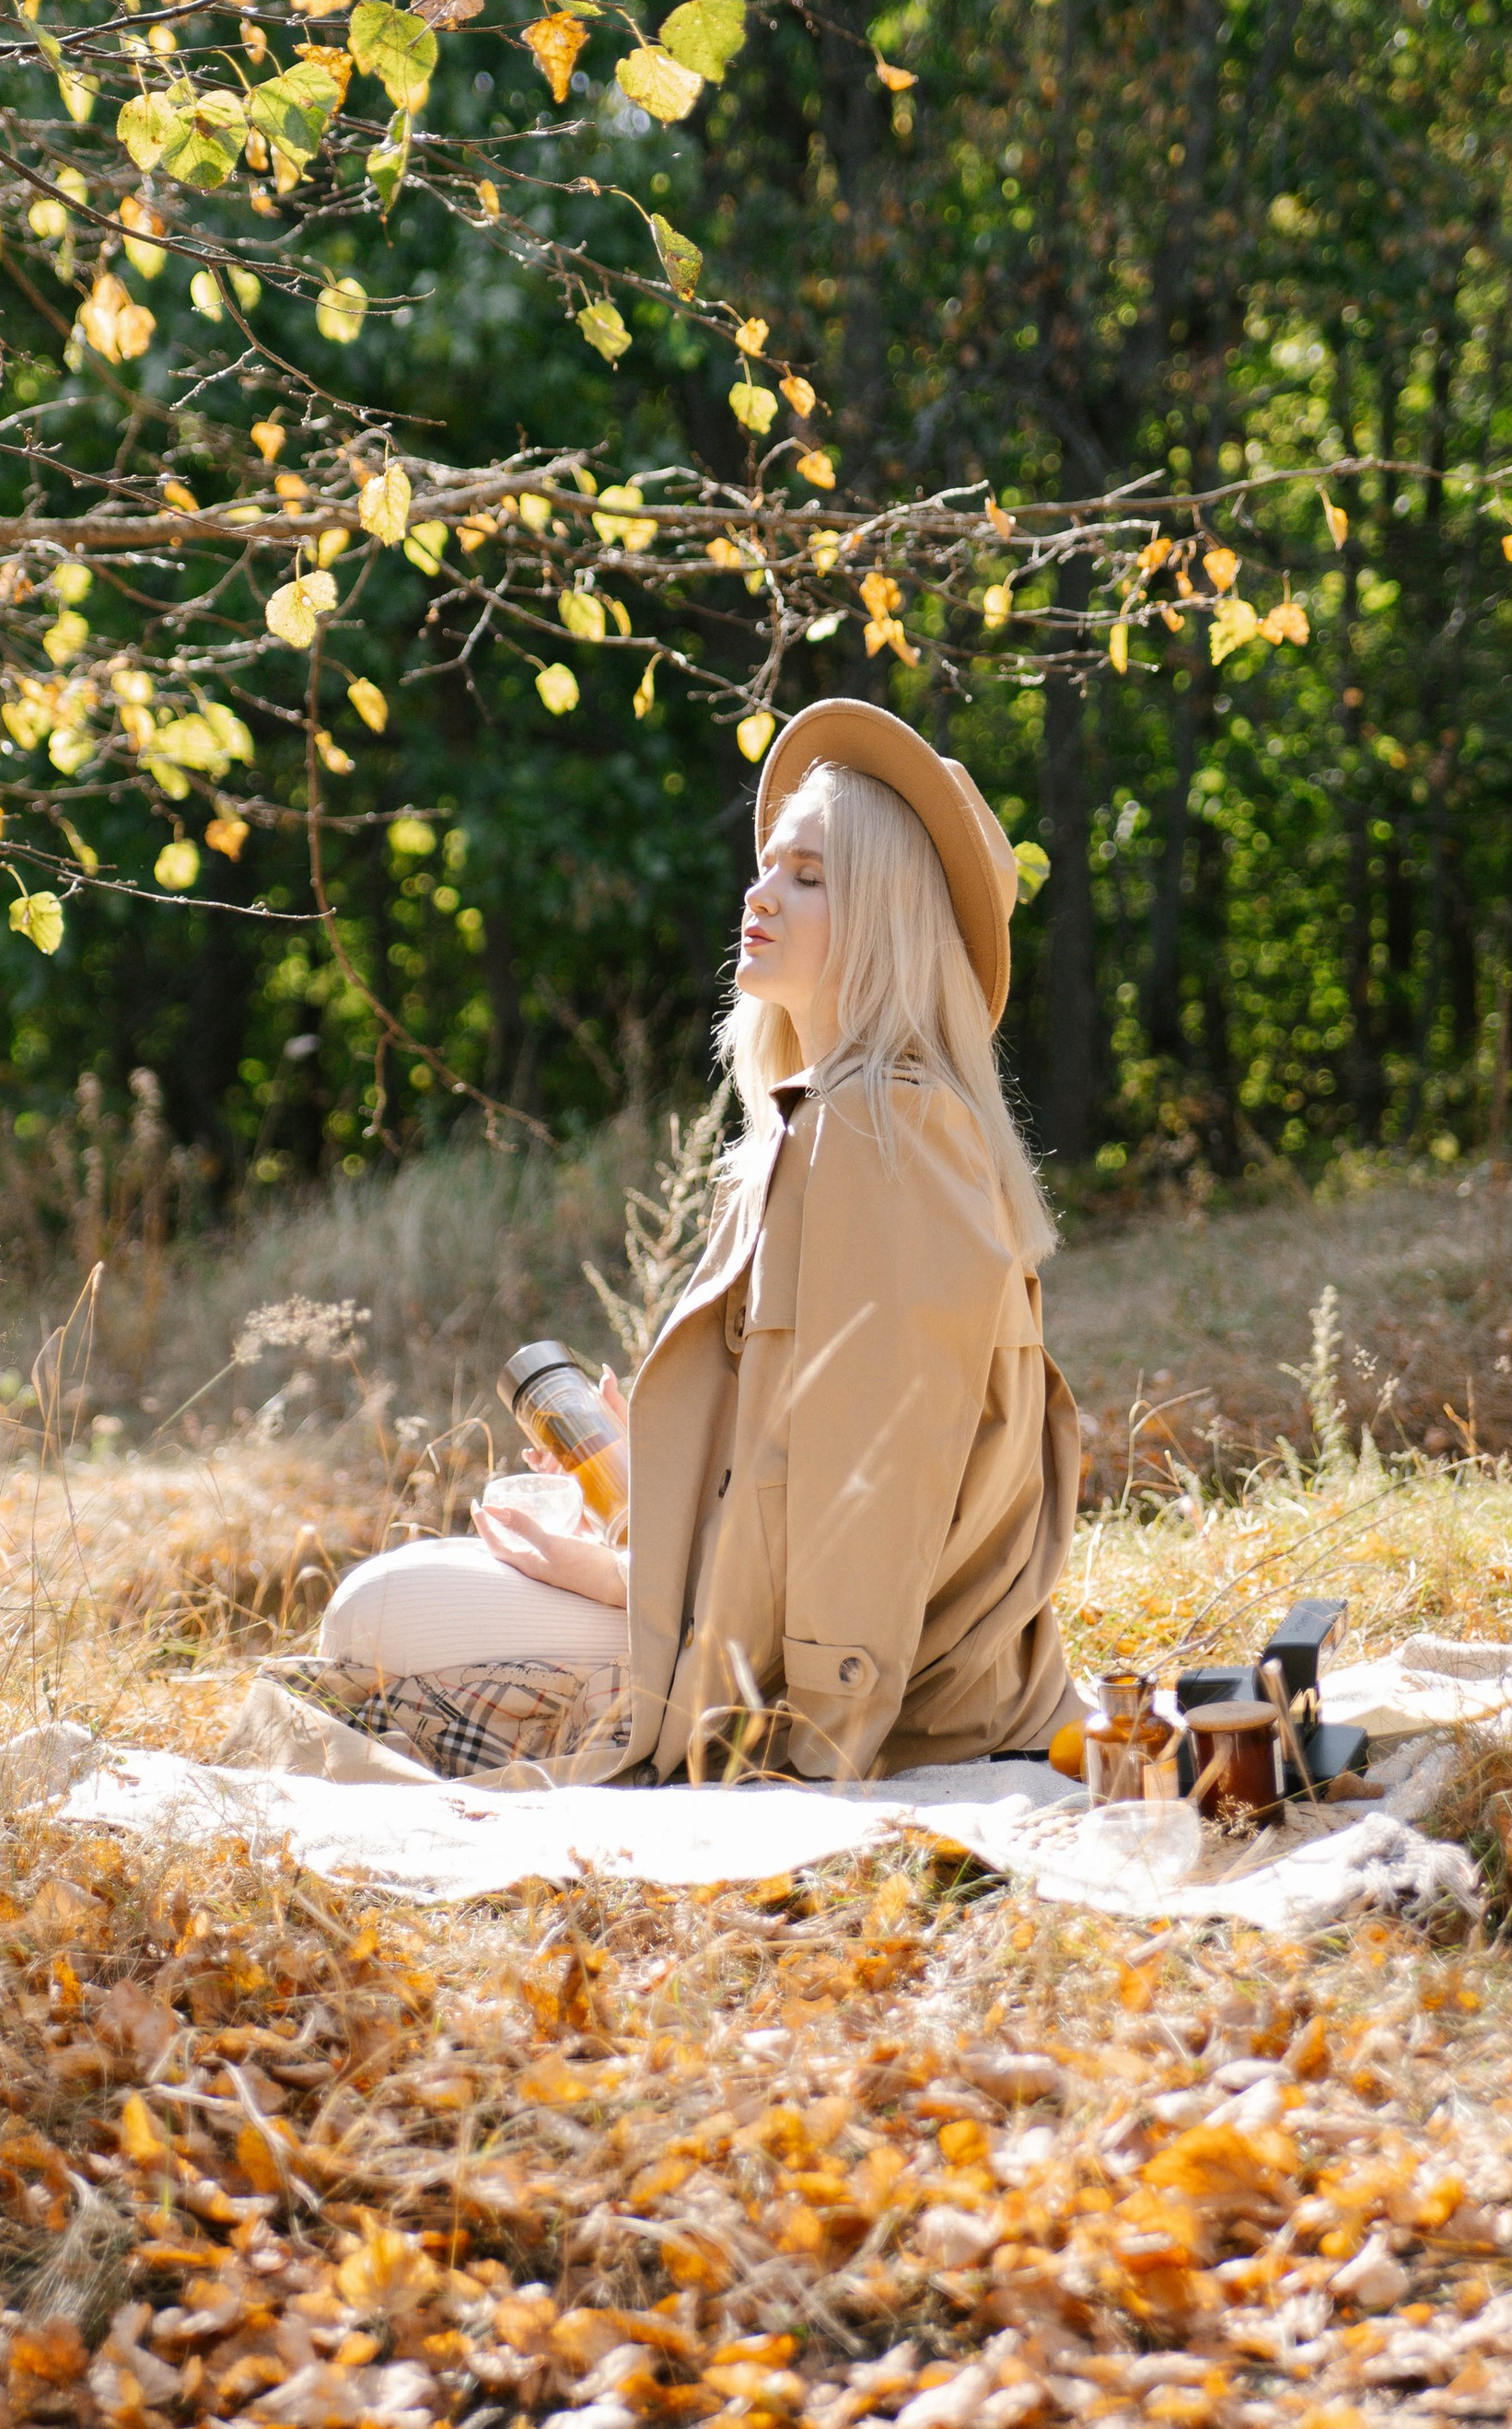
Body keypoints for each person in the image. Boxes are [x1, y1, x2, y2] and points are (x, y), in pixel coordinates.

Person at [281, 698, 1084, 1785]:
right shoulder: (837, 1122)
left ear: (890, 918)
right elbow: (805, 1454)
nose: (759, 893)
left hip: (870, 1690)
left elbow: (872, 1510)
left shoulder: (877, 1135)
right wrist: (658, 1468)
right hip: (797, 1635)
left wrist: (631, 1587)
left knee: (372, 1613)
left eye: (808, 875)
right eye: (768, 866)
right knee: (395, 1597)